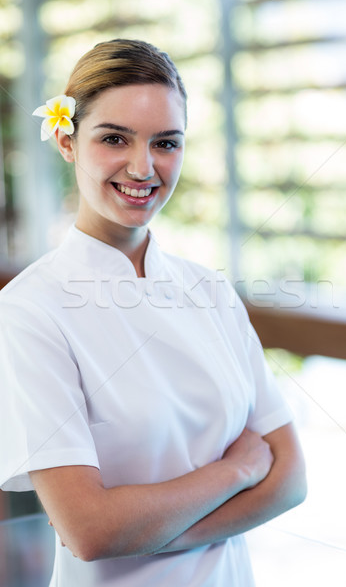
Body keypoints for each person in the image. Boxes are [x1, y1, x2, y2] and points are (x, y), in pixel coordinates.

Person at [0, 39, 306, 587]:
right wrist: (237, 471)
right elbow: (90, 531)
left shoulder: (210, 291)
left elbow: (291, 477)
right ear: (67, 141)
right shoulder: (29, 311)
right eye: (115, 138)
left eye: (166, 143)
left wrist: (150, 532)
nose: (143, 167)